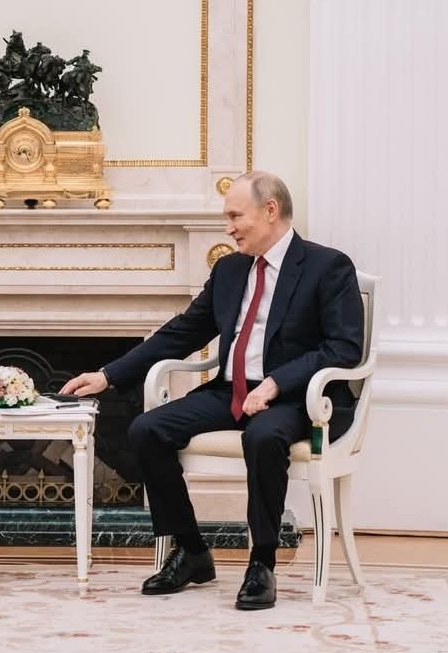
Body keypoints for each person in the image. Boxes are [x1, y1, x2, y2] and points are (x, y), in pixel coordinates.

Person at [60, 171, 363, 610]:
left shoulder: (328, 266)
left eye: (235, 216)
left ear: (271, 210)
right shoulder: (230, 269)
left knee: (263, 436)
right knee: (148, 429)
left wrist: (277, 383)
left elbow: (344, 347)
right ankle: (192, 551)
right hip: (232, 391)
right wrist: (108, 375)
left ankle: (262, 563)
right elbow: (183, 332)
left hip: (301, 399)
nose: (228, 228)